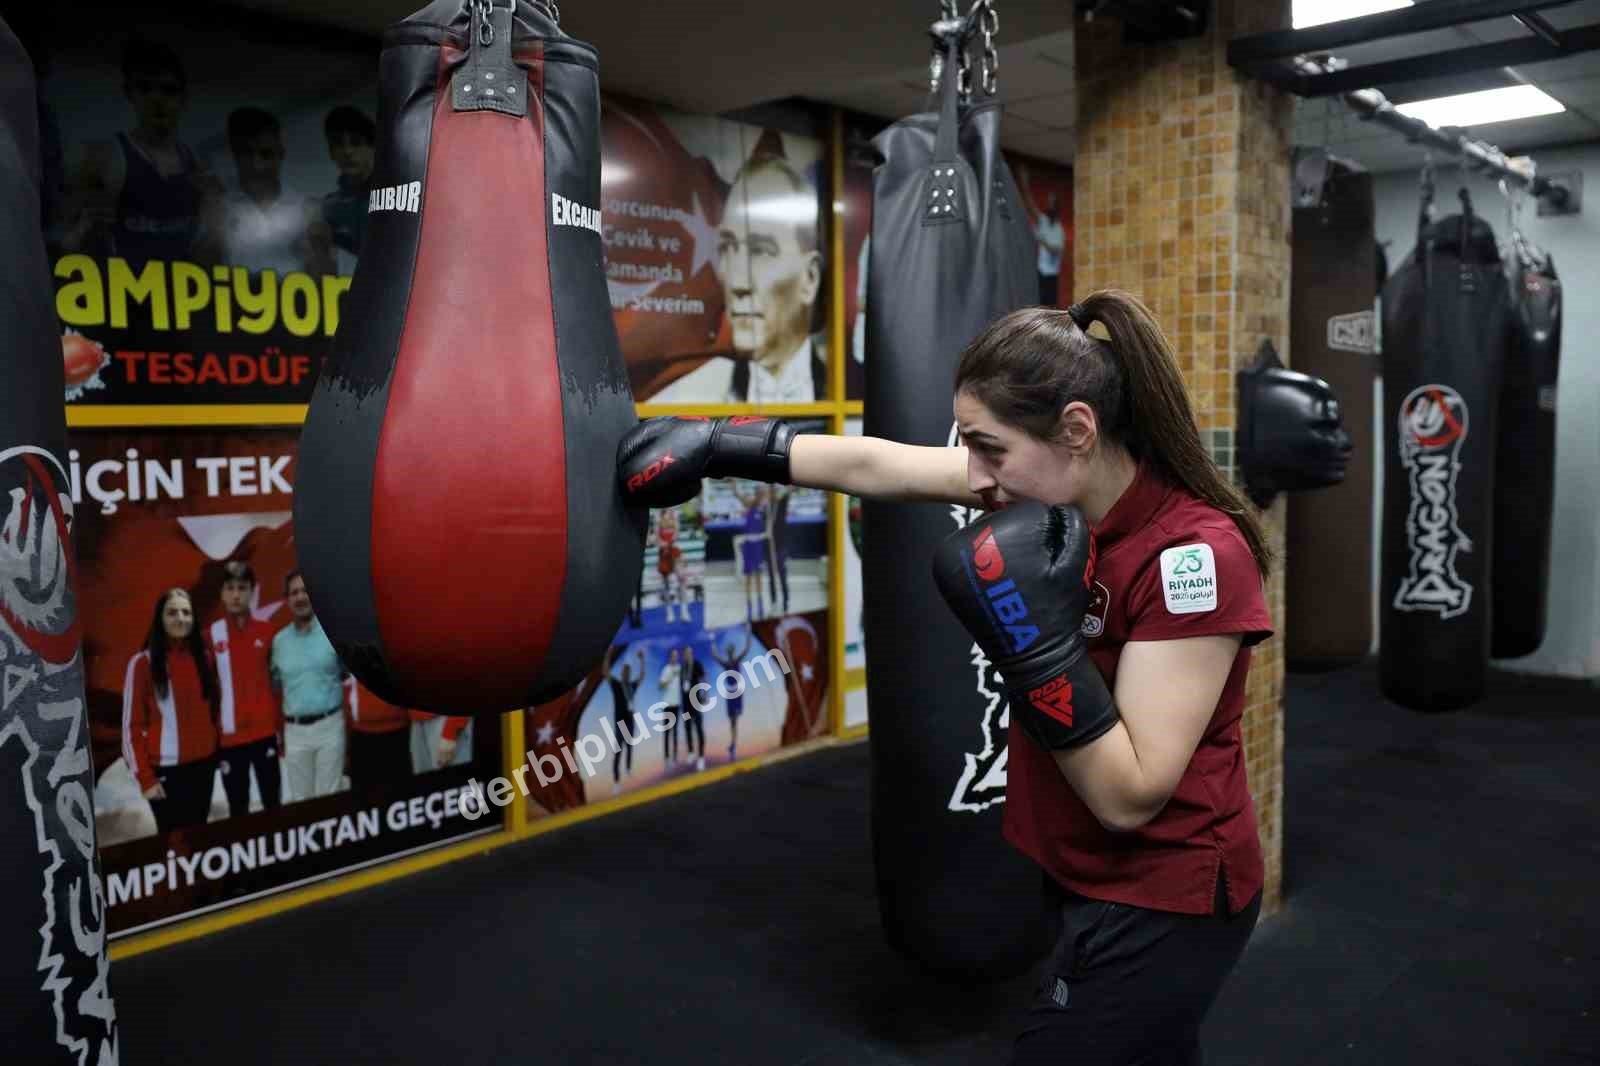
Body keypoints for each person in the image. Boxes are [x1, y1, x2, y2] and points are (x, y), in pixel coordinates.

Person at [619, 290, 1273, 1064]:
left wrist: (1031, 645)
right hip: (1088, 876)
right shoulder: (1052, 490)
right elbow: (877, 462)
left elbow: (1130, 793)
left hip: (1169, 894)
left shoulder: (1191, 556)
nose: (976, 474)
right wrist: (722, 443)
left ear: (1076, 429)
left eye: (988, 448)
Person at [647, 150, 825, 404]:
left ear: (809, 279)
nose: (738, 283)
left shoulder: (848, 390)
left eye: (761, 250)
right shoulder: (690, 396)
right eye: (728, 247)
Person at [60, 39, 222, 265]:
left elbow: (212, 249)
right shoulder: (104, 159)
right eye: (145, 88)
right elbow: (70, 245)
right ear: (129, 93)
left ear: (183, 98)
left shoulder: (198, 166)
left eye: (168, 90)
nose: (157, 100)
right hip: (121, 292)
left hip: (178, 294)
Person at [122, 588, 221, 833]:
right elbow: (130, 727)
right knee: (173, 847)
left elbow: (214, 710)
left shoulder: (206, 659)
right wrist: (146, 779)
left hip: (203, 768)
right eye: (172, 612)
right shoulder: (142, 663)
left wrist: (214, 753)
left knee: (200, 839)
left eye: (186, 612)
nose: (180, 618)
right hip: (166, 774)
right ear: (161, 619)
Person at [200, 107, 334, 276]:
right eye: (247, 153)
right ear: (235, 154)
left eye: (266, 154)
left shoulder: (307, 208)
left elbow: (326, 278)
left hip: (293, 300)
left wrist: (319, 248)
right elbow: (198, 274)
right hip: (232, 300)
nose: (257, 164)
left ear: (281, 154)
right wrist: (214, 232)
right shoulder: (219, 205)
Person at [208, 560, 283, 817]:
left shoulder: (268, 631)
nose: (236, 594)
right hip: (230, 739)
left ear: (252, 591)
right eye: (230, 588)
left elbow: (278, 683)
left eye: (242, 587)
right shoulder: (212, 635)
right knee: (238, 809)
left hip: (265, 734)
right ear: (222, 593)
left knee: (273, 803)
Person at [270, 571, 348, 801]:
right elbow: (275, 684)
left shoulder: (332, 633)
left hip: (330, 726)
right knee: (301, 802)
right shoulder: (279, 642)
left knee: (330, 798)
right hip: (295, 732)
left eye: (305, 591)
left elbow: (345, 674)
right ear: (287, 600)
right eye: (294, 592)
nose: (300, 597)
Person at [320, 104, 376, 275]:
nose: (347, 151)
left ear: (371, 147)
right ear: (331, 152)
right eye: (338, 144)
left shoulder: (393, 197)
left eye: (356, 142)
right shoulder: (328, 208)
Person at [707, 629, 753, 762]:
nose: (730, 652)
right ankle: (733, 743)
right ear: (727, 652)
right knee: (732, 721)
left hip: (737, 693)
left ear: (733, 651)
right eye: (728, 650)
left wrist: (748, 633)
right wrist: (712, 639)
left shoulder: (737, 660)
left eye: (731, 650)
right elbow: (714, 654)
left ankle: (733, 743)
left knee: (735, 720)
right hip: (729, 694)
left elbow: (747, 647)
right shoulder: (726, 664)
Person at [678, 645, 708, 773]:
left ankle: (701, 757)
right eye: (685, 653)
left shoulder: (697, 664)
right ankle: (691, 752)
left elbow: (704, 678)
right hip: (685, 705)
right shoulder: (682, 668)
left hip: (696, 702)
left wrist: (705, 694)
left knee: (699, 729)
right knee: (687, 728)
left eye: (689, 653)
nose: (687, 655)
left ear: (692, 654)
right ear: (683, 655)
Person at [658, 647, 683, 765]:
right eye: (672, 655)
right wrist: (670, 677)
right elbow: (660, 686)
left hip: (677, 704)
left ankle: (675, 757)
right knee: (667, 732)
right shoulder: (666, 669)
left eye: (676, 655)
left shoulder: (680, 669)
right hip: (667, 705)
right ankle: (667, 758)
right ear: (669, 657)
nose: (675, 657)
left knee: (675, 732)